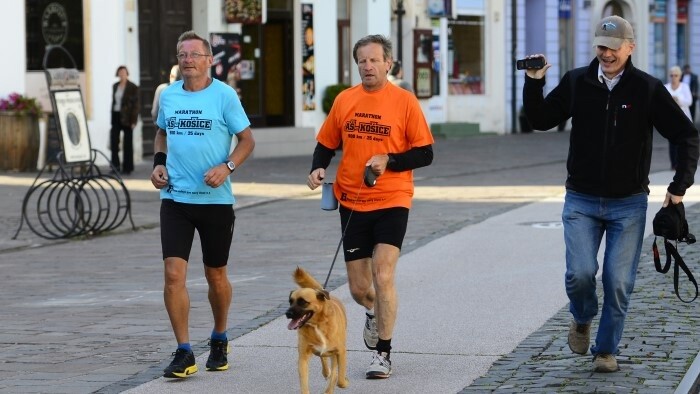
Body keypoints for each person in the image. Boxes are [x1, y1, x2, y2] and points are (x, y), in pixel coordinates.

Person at [522, 15, 698, 373]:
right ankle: (583, 317)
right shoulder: (577, 82)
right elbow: (540, 120)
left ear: (629, 48)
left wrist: (679, 188)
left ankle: (605, 350)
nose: (606, 54)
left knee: (618, 282)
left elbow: (686, 135)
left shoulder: (645, 89)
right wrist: (534, 82)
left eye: (613, 48)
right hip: (581, 201)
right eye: (601, 47)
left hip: (628, 203)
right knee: (580, 274)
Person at [306, 34, 434, 379]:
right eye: (362, 60)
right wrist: (318, 167)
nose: (367, 66)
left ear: (388, 64)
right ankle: (372, 312)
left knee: (384, 273)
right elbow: (326, 142)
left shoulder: (405, 102)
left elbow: (425, 153)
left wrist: (389, 160)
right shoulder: (346, 100)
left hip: (392, 199)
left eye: (374, 60)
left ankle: (383, 353)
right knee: (360, 289)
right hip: (352, 200)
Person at [150, 30, 255, 379]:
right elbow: (162, 132)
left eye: (195, 54)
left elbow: (246, 140)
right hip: (176, 198)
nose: (187, 59)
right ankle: (184, 352)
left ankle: (220, 337)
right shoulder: (169, 96)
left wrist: (226, 168)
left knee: (216, 275)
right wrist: (158, 164)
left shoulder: (225, 96)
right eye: (182, 54)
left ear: (210, 60)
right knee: (172, 274)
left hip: (215, 201)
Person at [110, 65, 139, 175]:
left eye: (124, 72)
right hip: (116, 116)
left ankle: (128, 168)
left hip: (128, 118)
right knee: (114, 142)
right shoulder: (115, 86)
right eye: (120, 72)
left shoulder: (133, 87)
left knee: (127, 144)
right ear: (117, 74)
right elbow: (114, 102)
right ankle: (115, 166)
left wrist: (134, 121)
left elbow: (136, 105)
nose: (122, 74)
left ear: (127, 73)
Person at [665, 65, 694, 170]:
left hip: (683, 119)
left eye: (676, 75)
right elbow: (662, 103)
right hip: (671, 120)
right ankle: (673, 164)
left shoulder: (684, 86)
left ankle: (683, 163)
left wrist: (678, 99)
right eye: (671, 75)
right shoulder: (666, 87)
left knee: (683, 142)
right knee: (672, 143)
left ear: (680, 76)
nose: (673, 77)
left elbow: (689, 101)